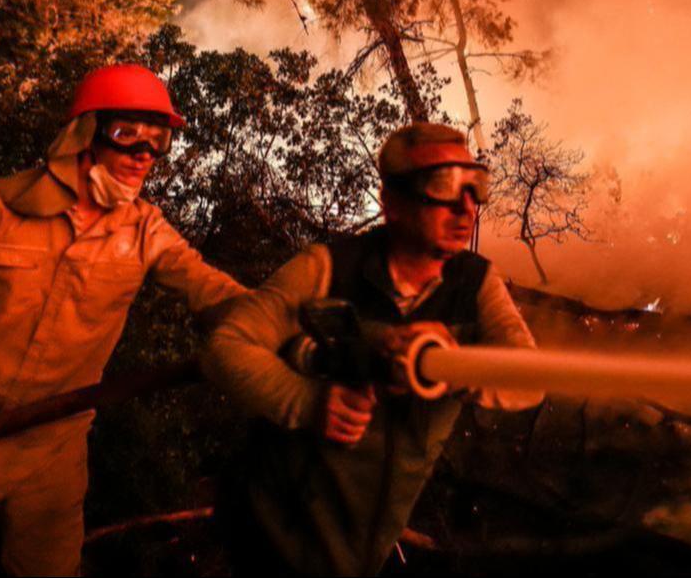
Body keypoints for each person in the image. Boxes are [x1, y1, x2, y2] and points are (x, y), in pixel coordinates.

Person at [0, 64, 250, 576]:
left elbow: (210, 290)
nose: (143, 156)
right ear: (84, 134)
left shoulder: (145, 231)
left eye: (157, 143)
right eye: (127, 135)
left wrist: (278, 322)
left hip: (49, 454)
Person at [205, 122, 544, 576]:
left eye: (474, 186)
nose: (466, 207)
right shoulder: (326, 270)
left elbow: (531, 381)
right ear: (393, 203)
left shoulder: (476, 285)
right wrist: (308, 402)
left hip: (366, 547)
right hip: (275, 533)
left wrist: (455, 369)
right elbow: (226, 345)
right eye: (443, 184)